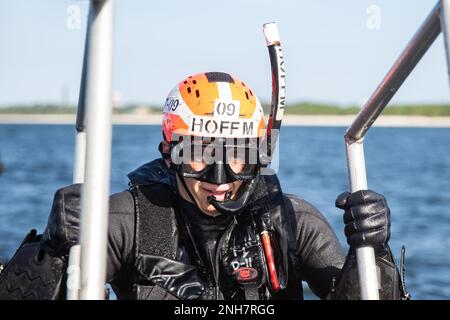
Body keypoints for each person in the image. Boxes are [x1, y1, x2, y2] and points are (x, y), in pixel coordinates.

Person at [0, 72, 409, 300]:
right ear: (169, 152)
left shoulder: (291, 220)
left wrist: (373, 254)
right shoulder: (126, 220)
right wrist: (51, 254)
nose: (219, 180)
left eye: (235, 156)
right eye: (198, 154)